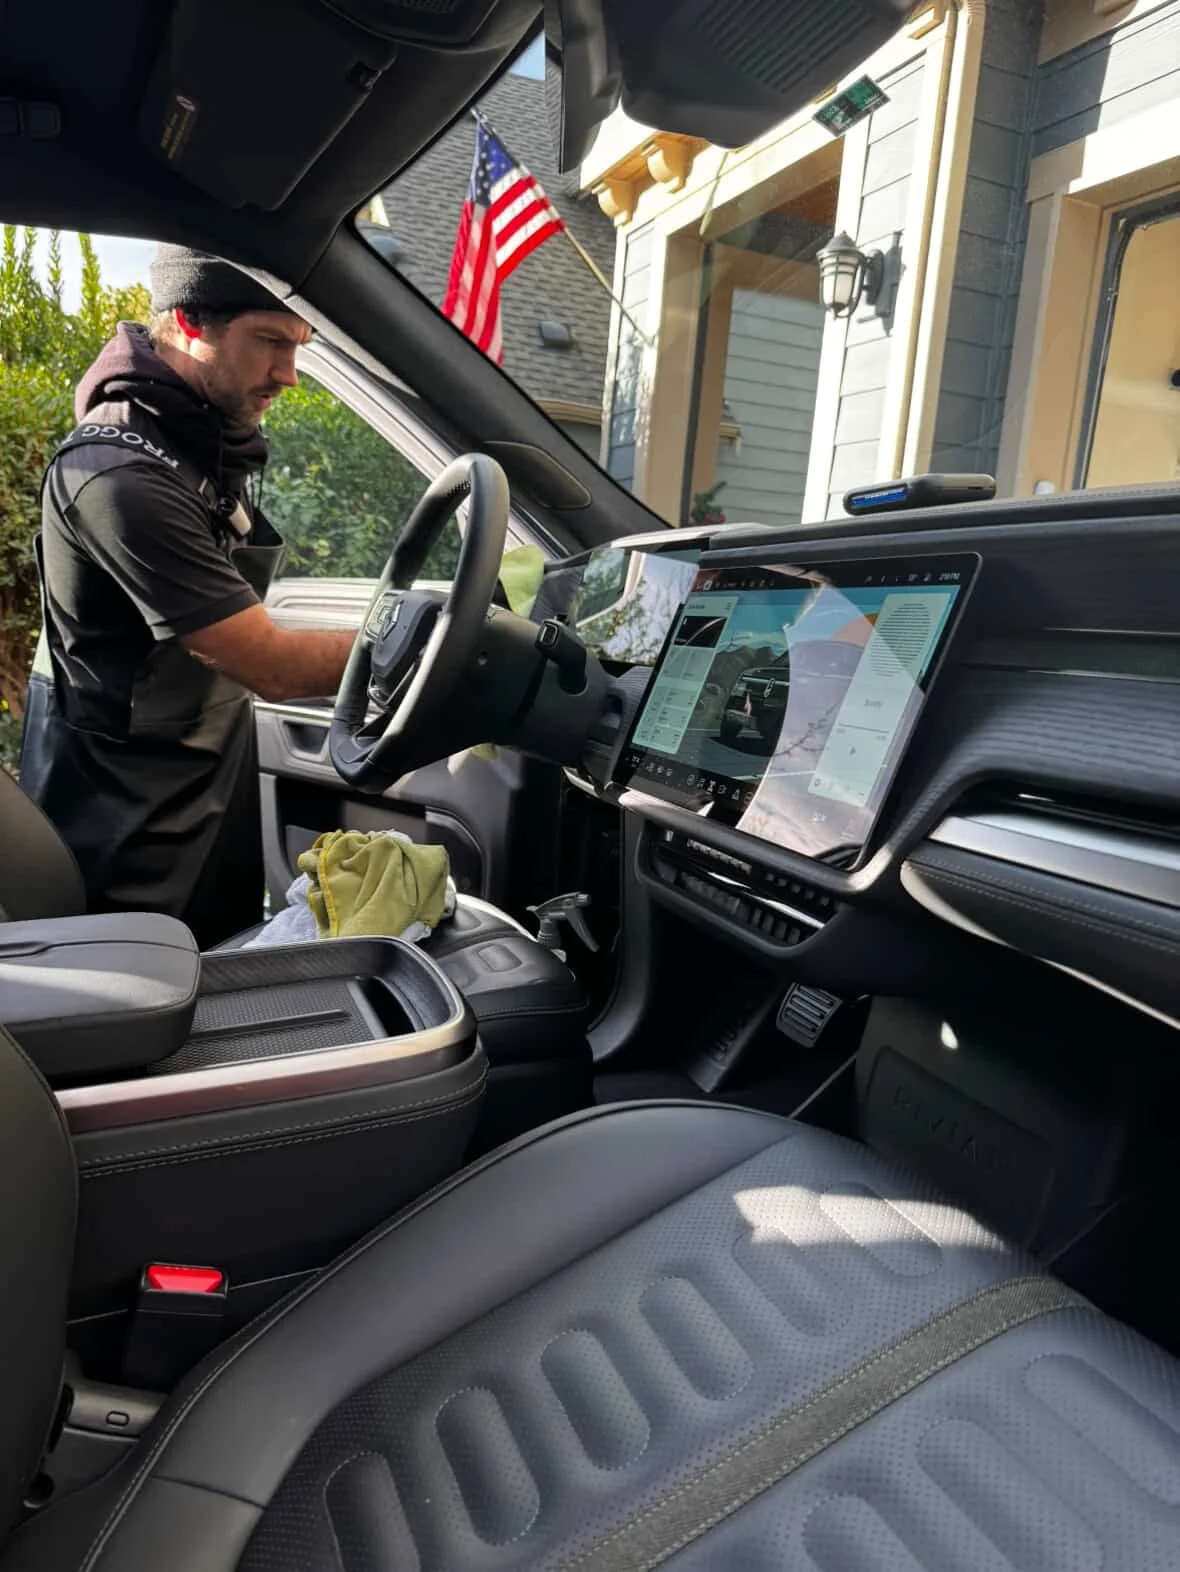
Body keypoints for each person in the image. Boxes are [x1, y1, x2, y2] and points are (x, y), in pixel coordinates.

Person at [20, 245, 358, 949]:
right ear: (187, 321)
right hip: (130, 828)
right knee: (161, 998)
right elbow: (273, 666)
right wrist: (418, 650)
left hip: (198, 789)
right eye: (269, 341)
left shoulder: (198, 445)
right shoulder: (119, 475)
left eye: (298, 346)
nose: (289, 374)